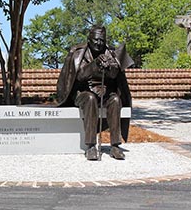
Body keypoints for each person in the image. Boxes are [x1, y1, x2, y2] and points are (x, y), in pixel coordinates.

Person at [56, 25, 134, 160]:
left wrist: (111, 68)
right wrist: (94, 65)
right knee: (90, 99)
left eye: (102, 40)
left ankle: (115, 145)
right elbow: (79, 76)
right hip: (83, 93)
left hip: (105, 92)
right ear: (89, 39)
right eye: (96, 40)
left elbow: (117, 77)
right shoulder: (78, 52)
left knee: (116, 100)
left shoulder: (111, 52)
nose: (99, 43)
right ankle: (91, 145)